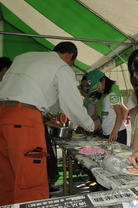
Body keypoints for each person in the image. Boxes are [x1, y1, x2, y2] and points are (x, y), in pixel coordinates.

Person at [0, 42, 99, 206]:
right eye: (72, 63)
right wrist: (90, 125)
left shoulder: (23, 58)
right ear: (70, 56)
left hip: (3, 114)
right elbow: (72, 103)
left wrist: (46, 116)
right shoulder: (61, 66)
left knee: (7, 176)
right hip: (24, 120)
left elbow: (31, 93)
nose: (70, 66)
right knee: (30, 178)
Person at [87, 69, 127, 145]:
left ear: (103, 80)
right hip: (107, 132)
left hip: (116, 133)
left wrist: (115, 131)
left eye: (97, 86)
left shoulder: (112, 95)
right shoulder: (103, 97)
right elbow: (107, 116)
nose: (97, 90)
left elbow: (119, 114)